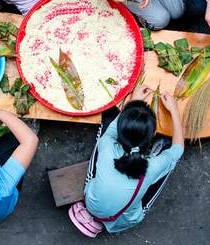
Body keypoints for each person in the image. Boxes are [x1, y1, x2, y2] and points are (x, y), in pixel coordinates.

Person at [69, 85, 185, 236]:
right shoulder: (151, 167)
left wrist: (133, 100)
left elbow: (111, 129)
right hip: (123, 219)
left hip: (91, 204)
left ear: (120, 131)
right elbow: (179, 149)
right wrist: (174, 111)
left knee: (102, 138)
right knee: (169, 165)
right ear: (153, 135)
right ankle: (160, 152)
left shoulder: (108, 146)